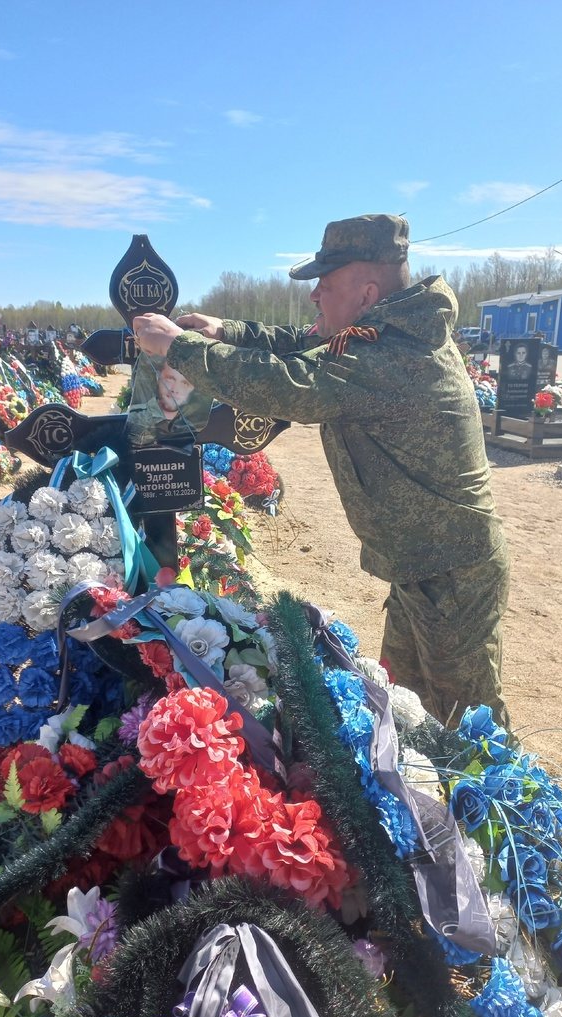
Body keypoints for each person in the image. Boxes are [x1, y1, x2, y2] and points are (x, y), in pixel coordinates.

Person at [132, 214, 511, 729]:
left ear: (366, 291)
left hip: (451, 571)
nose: (314, 296)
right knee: (408, 711)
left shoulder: (394, 356)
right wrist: (229, 331)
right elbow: (304, 345)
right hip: (423, 565)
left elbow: (291, 383)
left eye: (324, 284)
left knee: (471, 723)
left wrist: (179, 347)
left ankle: (499, 809)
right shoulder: (386, 333)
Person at [126, 358, 212, 447]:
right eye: (170, 379)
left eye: (185, 383)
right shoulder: (136, 418)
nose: (175, 389)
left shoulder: (190, 428)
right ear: (157, 378)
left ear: (192, 389)